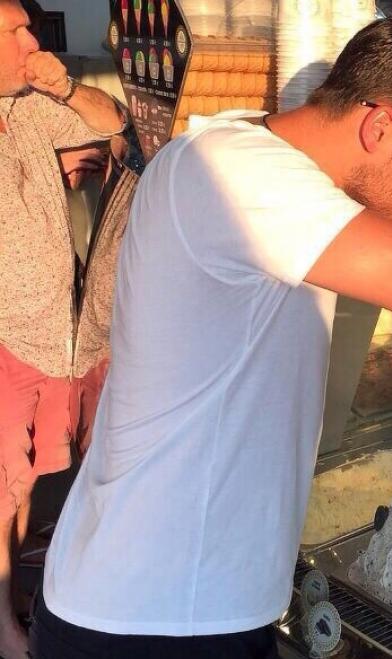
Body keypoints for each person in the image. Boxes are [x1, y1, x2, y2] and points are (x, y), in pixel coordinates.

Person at [34, 18, 392, 659]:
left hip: (187, 598)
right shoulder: (240, 173)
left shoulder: (252, 155)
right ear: (380, 127)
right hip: (154, 616)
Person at [0, 0, 124, 656]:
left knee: (19, 482)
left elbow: (116, 121)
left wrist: (68, 90)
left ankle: (13, 599)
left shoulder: (24, 107)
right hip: (6, 337)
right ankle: (4, 630)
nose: (31, 40)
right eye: (15, 31)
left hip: (51, 334)